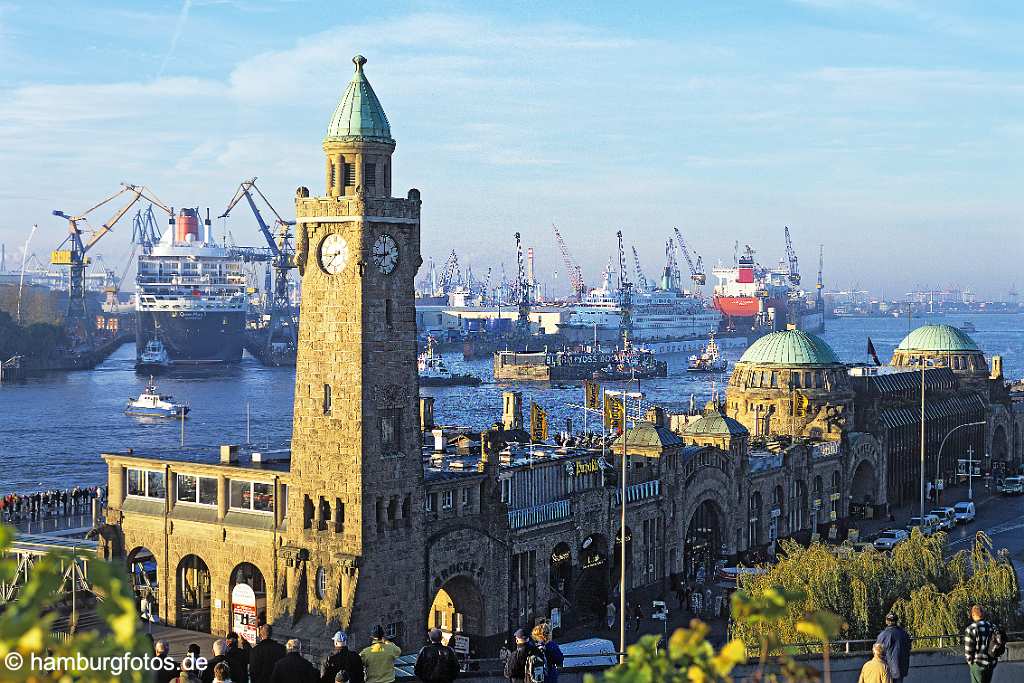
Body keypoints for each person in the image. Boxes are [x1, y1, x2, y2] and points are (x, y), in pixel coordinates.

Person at [964, 605, 1000, 683]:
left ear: (973, 615)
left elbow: (968, 650)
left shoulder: (971, 628)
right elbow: (998, 642)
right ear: (983, 614)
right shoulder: (992, 626)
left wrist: (971, 663)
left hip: (977, 664)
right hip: (990, 664)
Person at [875, 613, 911, 683]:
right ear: (896, 621)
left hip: (887, 669)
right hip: (901, 668)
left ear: (886, 621)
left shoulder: (883, 635)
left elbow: (877, 651)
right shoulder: (904, 634)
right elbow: (908, 648)